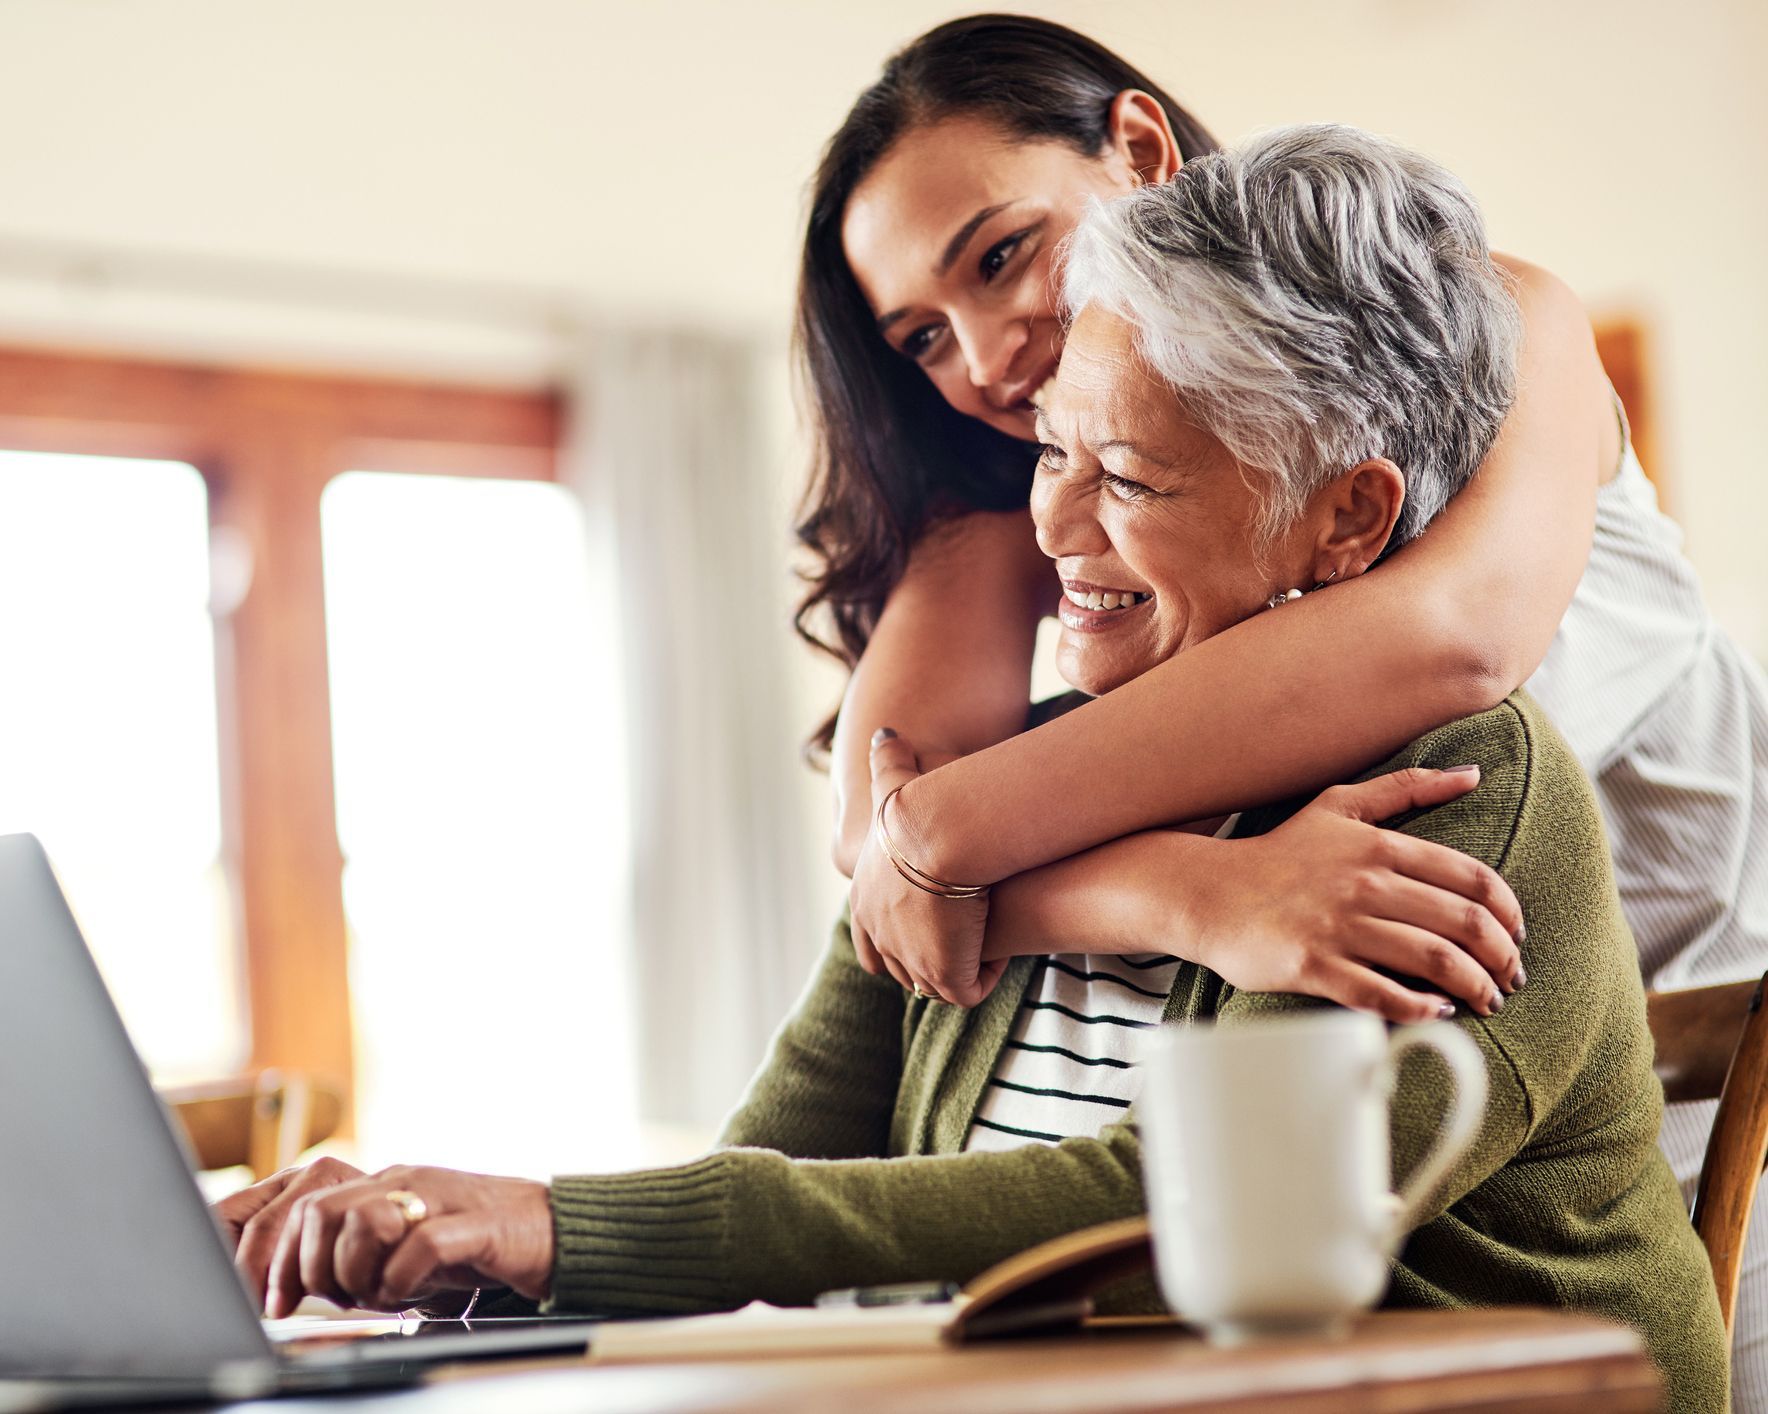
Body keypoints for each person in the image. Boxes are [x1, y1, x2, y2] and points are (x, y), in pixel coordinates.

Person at [216, 126, 1727, 1411]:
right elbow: (782, 1153)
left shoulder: (1456, 790)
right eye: (1046, 453)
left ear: (1342, 522)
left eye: (1127, 476)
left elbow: (1170, 1216)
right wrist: (476, 1254)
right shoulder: (1037, 772)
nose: (1057, 532)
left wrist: (560, 1227)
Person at [803, 12, 1768, 1397]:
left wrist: (952, 843)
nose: (985, 356)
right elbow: (877, 848)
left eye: (1003, 255)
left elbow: (1450, 639)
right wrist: (1186, 896)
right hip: (1416, 1109)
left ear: (1137, 146)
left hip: (1711, 1059)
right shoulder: (1047, 479)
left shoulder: (1488, 332)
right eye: (921, 338)